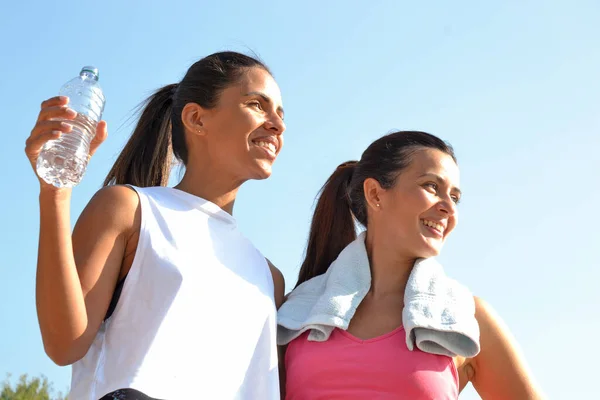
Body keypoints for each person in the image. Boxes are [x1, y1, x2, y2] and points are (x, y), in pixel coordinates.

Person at [24, 51, 287, 400]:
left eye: (281, 114)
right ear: (196, 119)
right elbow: (64, 343)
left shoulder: (270, 278)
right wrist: (55, 192)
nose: (276, 124)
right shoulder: (129, 210)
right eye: (257, 104)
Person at [279, 131, 543, 399]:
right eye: (431, 186)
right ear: (374, 193)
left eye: (455, 197)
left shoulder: (466, 318)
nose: (449, 208)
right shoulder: (296, 314)